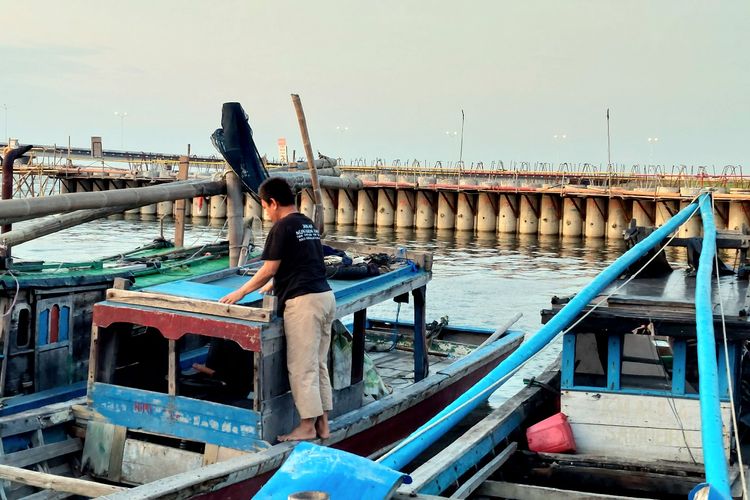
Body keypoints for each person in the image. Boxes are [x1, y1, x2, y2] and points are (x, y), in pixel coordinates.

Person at [219, 177, 336, 442]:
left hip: (304, 303)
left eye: (265, 207)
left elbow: (269, 267)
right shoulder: (307, 224)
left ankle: (306, 427)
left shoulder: (282, 227)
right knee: (318, 364)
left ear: (272, 202)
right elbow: (303, 262)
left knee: (301, 367)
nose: (267, 214)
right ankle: (323, 425)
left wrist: (241, 292)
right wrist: (275, 284)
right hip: (325, 297)